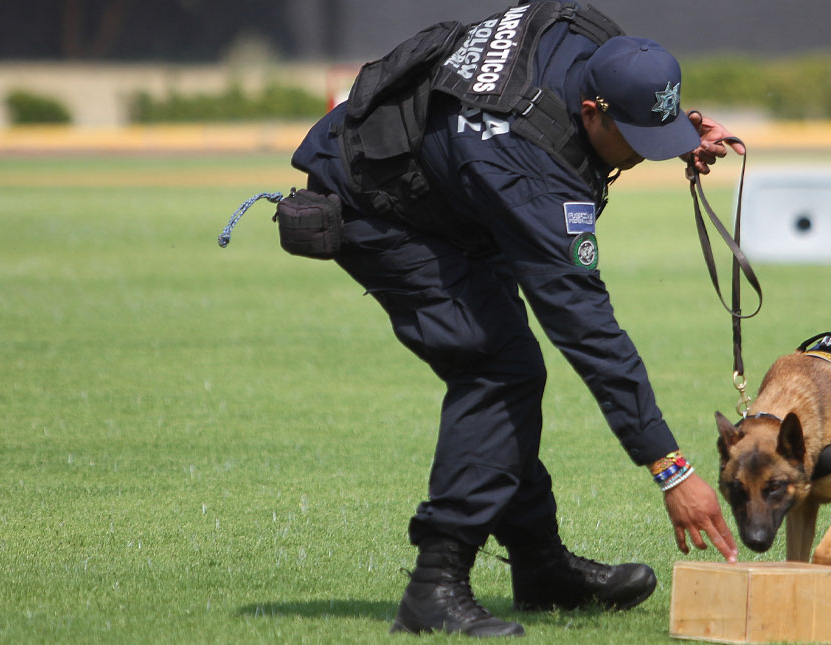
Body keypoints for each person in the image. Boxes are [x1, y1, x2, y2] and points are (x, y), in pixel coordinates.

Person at [290, 1, 743, 637]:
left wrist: (674, 129)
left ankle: (540, 569)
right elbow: (587, 329)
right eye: (639, 142)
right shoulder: (532, 175)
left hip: (451, 186)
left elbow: (616, 97)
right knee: (497, 370)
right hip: (380, 205)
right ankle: (435, 587)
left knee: (509, 367)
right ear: (592, 112)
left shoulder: (593, 41)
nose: (643, 156)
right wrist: (671, 467)